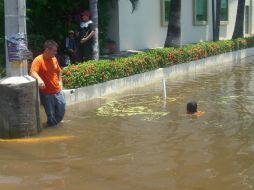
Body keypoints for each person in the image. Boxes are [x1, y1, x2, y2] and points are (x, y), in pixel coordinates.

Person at [30, 40, 66, 127]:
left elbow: (59, 71)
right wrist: (39, 79)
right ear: (47, 50)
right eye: (54, 50)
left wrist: (60, 82)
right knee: (51, 115)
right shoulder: (38, 60)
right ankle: (53, 129)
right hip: (46, 93)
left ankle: (52, 125)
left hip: (58, 90)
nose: (56, 52)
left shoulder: (54, 58)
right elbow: (32, 72)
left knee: (61, 110)